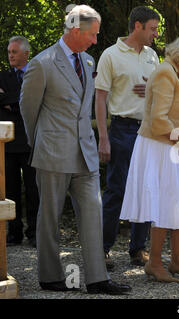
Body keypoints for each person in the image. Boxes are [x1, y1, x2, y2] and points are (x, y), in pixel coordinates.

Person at [19, 5, 131, 295]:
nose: (96, 41)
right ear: (75, 31)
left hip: (86, 153)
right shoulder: (43, 63)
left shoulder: (89, 62)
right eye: (92, 35)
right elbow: (27, 110)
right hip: (52, 153)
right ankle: (50, 276)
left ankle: (97, 279)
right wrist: (40, 141)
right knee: (50, 217)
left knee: (93, 214)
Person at [119, 30, 179, 282]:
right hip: (159, 146)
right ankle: (156, 263)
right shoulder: (164, 73)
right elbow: (159, 120)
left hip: (172, 146)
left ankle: (178, 261)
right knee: (164, 204)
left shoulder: (177, 74)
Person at [95, 6, 160, 271]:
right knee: (116, 191)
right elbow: (100, 98)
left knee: (145, 190)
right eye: (153, 29)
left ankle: (138, 248)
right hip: (121, 130)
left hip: (148, 131)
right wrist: (103, 137)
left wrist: (152, 88)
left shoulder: (153, 56)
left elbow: (160, 93)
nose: (156, 34)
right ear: (138, 26)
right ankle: (102, 249)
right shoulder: (110, 55)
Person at [0, 36, 39, 247]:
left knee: (34, 189)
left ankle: (34, 233)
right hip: (8, 143)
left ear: (26, 53)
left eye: (14, 52)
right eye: (9, 52)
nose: (10, 55)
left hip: (32, 140)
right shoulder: (2, 76)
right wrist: (19, 101)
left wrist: (10, 102)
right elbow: (23, 100)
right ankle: (14, 234)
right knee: (10, 191)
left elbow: (35, 100)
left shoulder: (35, 74)